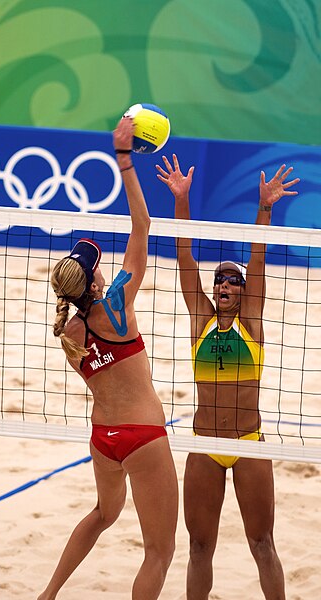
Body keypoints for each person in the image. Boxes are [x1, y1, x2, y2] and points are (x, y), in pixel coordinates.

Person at [37, 117, 178, 600]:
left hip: (104, 439)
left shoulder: (69, 331)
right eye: (98, 269)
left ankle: (49, 593)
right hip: (142, 436)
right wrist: (124, 160)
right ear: (97, 282)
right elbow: (143, 224)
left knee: (102, 515)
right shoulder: (116, 307)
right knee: (159, 551)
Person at [156, 154, 299, 600]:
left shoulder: (250, 321)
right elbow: (183, 254)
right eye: (219, 281)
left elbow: (257, 257)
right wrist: (181, 201)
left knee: (262, 545)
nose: (225, 287)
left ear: (242, 291)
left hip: (248, 444)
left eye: (233, 283)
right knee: (199, 548)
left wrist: (265, 208)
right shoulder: (200, 319)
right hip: (204, 445)